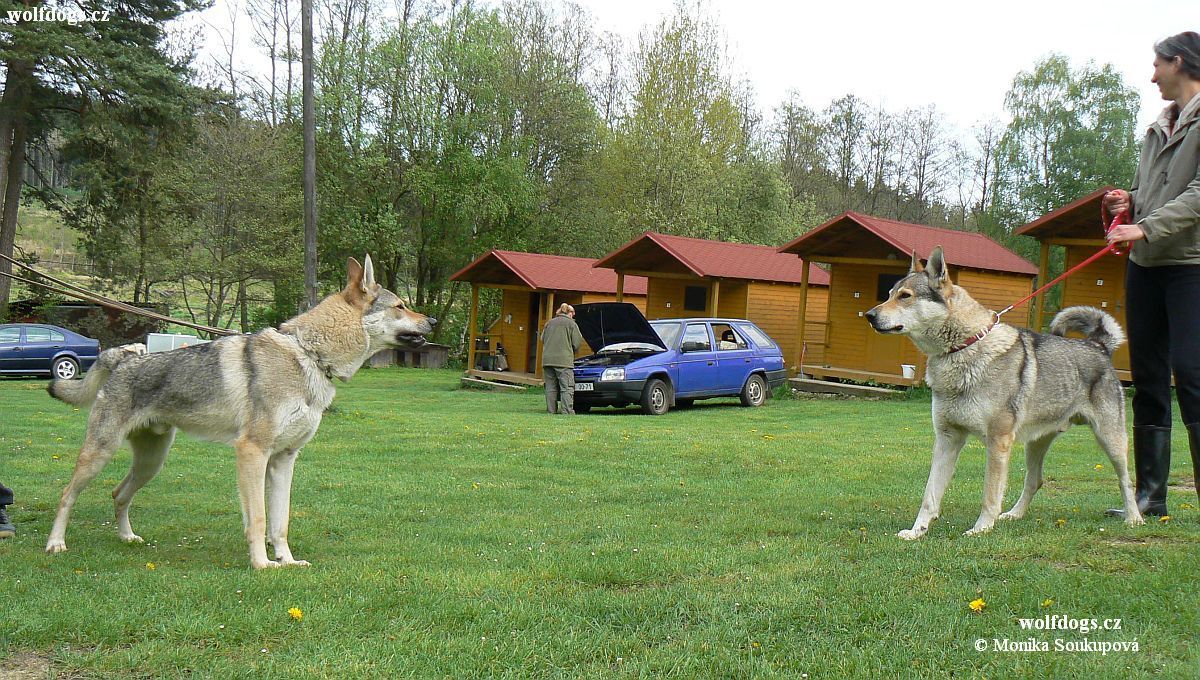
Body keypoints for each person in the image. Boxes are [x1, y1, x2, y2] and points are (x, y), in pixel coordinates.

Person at [1103, 31, 1200, 518]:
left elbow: (1199, 196)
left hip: (1191, 269)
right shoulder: (1156, 129)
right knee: (1147, 379)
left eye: (1156, 65)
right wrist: (1128, 204)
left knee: (1194, 373)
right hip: (1146, 269)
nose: (1152, 74)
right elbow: (1150, 193)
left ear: (1178, 62)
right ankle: (1150, 498)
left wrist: (1145, 226)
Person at [541, 303, 583, 415]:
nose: (573, 316)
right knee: (567, 387)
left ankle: (551, 410)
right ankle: (567, 411)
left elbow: (542, 338)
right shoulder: (571, 324)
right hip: (564, 361)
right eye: (573, 314)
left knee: (550, 387)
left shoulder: (549, 323)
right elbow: (577, 342)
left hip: (547, 360)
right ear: (570, 313)